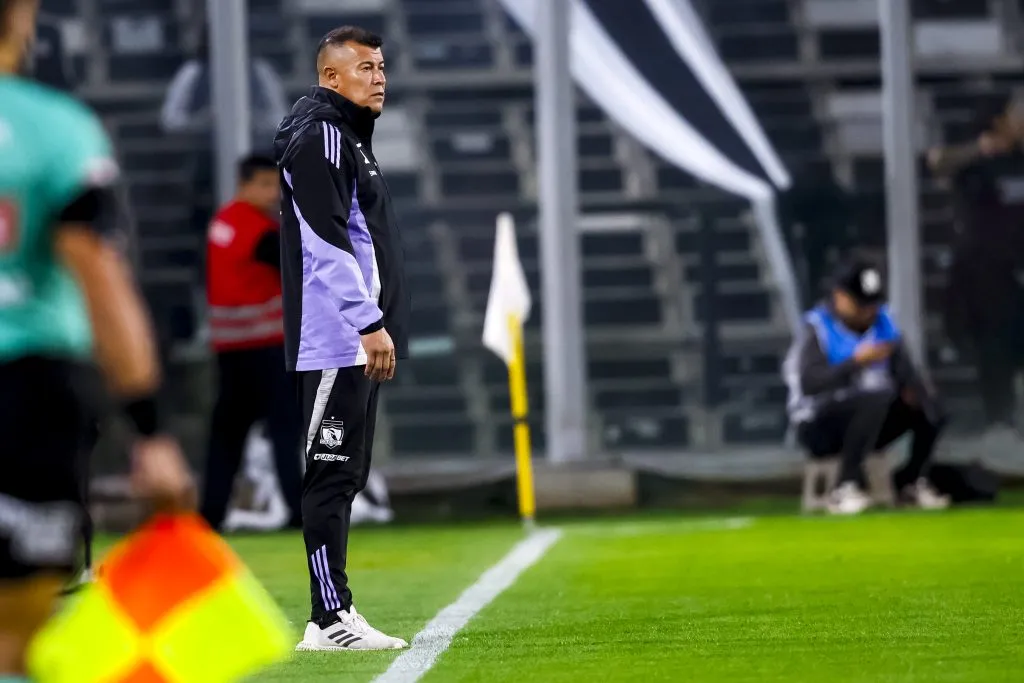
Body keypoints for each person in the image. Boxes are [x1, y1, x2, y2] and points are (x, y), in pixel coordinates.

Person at [0, 1, 193, 679]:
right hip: (25, 390)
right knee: (20, 632)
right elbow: (100, 279)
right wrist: (152, 430)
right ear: (22, 17)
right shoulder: (54, 130)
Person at [274, 25, 409, 651]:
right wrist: (368, 323)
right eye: (364, 68)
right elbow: (325, 243)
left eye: (381, 66)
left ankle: (333, 612)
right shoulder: (323, 138)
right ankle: (329, 618)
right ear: (331, 77)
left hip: (351, 337)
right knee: (330, 476)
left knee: (345, 473)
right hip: (336, 340)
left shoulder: (347, 137)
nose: (378, 77)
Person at [782, 259, 951, 515]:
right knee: (875, 398)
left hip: (871, 421)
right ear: (840, 297)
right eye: (861, 304)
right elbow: (810, 384)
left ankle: (911, 481)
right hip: (818, 424)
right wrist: (856, 362)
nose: (868, 311)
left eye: (872, 304)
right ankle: (844, 487)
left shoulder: (885, 326)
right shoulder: (818, 328)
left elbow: (908, 375)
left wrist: (916, 392)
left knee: (929, 403)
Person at [201, 154, 302, 531]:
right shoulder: (253, 226)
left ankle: (210, 514)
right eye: (265, 184)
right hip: (266, 347)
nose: (272, 192)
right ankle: (298, 511)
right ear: (244, 185)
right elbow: (292, 260)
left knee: (227, 436)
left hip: (231, 352)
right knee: (283, 430)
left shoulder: (223, 222)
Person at [928, 95, 1024, 441]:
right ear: (1000, 122)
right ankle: (1000, 423)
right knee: (994, 348)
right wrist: (979, 149)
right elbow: (937, 163)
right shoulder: (977, 161)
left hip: (1018, 269)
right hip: (985, 273)